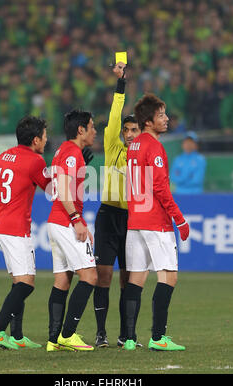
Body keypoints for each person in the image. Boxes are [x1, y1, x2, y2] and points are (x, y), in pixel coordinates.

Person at [0, 116, 51, 350]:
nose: (47, 140)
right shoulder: (35, 161)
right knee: (26, 284)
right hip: (17, 229)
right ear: (36, 139)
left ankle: (16, 336)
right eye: (45, 136)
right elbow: (51, 190)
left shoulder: (4, 156)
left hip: (2, 226)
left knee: (19, 281)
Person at [124, 93, 190, 351]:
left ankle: (129, 338)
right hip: (155, 222)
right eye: (161, 115)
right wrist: (180, 219)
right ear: (149, 121)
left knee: (136, 279)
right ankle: (158, 337)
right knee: (168, 277)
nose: (166, 119)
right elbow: (161, 188)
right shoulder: (154, 147)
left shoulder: (134, 146)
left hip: (135, 221)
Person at [93, 61, 141, 348]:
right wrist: (121, 83)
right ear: (122, 132)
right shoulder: (114, 145)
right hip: (108, 216)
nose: (131, 133)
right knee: (104, 276)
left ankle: (127, 334)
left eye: (136, 129)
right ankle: (101, 333)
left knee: (128, 280)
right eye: (128, 129)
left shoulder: (144, 151)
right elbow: (115, 112)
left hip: (133, 220)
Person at [46, 109, 98, 352]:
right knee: (89, 276)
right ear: (81, 130)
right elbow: (65, 190)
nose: (95, 131)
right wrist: (77, 219)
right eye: (92, 126)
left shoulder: (62, 151)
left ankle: (53, 340)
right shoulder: (71, 152)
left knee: (62, 280)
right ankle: (68, 335)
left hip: (56, 221)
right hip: (66, 220)